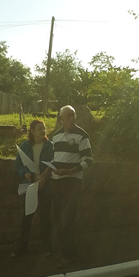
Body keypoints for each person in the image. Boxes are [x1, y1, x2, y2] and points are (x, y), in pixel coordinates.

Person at [49, 105, 93, 263]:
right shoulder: (55, 136)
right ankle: (64, 251)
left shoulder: (82, 135)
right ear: (61, 119)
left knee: (68, 218)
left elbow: (89, 160)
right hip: (56, 181)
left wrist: (70, 171)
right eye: (68, 116)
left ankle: (67, 255)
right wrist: (51, 170)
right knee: (56, 216)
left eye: (73, 115)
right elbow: (53, 158)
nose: (71, 118)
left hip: (72, 181)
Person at [13, 119, 54, 257]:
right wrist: (24, 174)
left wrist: (45, 179)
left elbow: (54, 164)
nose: (42, 130)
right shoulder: (25, 146)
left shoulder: (50, 146)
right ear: (32, 131)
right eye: (39, 128)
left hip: (45, 186)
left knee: (45, 217)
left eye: (43, 128)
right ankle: (22, 247)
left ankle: (47, 247)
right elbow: (18, 165)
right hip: (30, 185)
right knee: (27, 216)